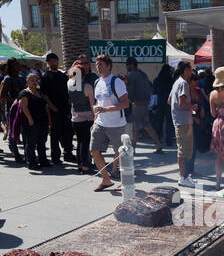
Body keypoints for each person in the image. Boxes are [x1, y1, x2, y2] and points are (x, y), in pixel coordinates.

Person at [89, 54, 129, 191]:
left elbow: (125, 103)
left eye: (100, 65)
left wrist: (106, 109)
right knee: (94, 150)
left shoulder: (116, 82)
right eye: (96, 65)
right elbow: (96, 103)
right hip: (100, 123)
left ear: (108, 66)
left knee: (121, 154)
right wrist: (94, 121)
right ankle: (106, 179)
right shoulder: (97, 82)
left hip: (116, 125)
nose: (98, 67)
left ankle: (123, 179)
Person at [123, 56, 163, 152]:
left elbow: (129, 91)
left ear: (131, 65)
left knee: (135, 128)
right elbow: (150, 87)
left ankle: (132, 149)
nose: (126, 67)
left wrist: (127, 100)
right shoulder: (143, 74)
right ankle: (158, 144)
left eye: (127, 65)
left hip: (137, 104)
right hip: (145, 104)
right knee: (147, 125)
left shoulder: (131, 75)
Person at [40, 52, 73, 165]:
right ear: (48, 62)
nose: (54, 63)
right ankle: (55, 156)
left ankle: (68, 154)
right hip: (53, 110)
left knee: (67, 132)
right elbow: (44, 95)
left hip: (65, 109)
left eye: (55, 60)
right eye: (51, 61)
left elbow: (68, 91)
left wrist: (70, 101)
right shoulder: (45, 77)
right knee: (55, 134)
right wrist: (52, 106)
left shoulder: (62, 75)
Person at [68, 54, 97, 174]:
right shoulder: (88, 86)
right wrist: (96, 117)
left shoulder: (69, 83)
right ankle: (85, 166)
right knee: (85, 143)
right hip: (87, 116)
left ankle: (80, 165)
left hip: (75, 117)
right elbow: (92, 104)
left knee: (80, 142)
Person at [169, 61, 196, 188]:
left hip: (179, 120)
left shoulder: (176, 83)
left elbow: (169, 101)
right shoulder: (183, 83)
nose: (191, 72)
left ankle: (184, 176)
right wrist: (192, 107)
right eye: (189, 70)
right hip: (183, 121)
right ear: (185, 70)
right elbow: (182, 103)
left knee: (183, 150)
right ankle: (183, 177)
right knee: (184, 151)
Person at [18, 71, 50, 169]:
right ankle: (31, 162)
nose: (34, 82)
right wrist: (30, 118)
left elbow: (46, 107)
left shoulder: (39, 92)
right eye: (32, 80)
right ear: (27, 81)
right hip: (31, 122)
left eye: (36, 80)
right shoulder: (24, 93)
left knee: (41, 142)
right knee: (31, 143)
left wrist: (49, 120)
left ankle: (43, 160)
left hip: (42, 121)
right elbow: (24, 107)